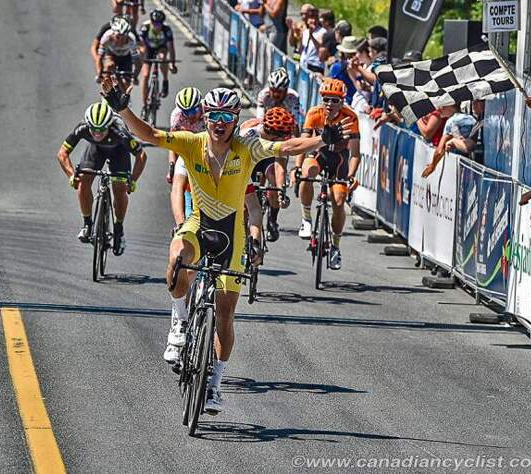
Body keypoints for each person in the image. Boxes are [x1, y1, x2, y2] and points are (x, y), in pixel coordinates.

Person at [101, 79, 356, 413]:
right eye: (213, 116)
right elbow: (150, 134)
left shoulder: (247, 147)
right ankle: (178, 323)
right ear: (205, 117)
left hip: (230, 234)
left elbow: (286, 148)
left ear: (236, 119)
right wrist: (121, 108)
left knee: (225, 315)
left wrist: (321, 139)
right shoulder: (191, 143)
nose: (219, 122)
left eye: (227, 116)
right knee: (178, 258)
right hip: (200, 223)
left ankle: (215, 384)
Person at [56, 101, 147, 255]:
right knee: (82, 182)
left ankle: (119, 229)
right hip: (96, 150)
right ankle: (87, 224)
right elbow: (62, 153)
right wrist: (71, 175)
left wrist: (133, 180)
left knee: (119, 189)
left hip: (119, 151)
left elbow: (141, 156)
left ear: (109, 125)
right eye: (94, 130)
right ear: (88, 125)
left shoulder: (120, 132)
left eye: (101, 130)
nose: (97, 134)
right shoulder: (83, 128)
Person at [292, 78, 360, 270]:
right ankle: (306, 218)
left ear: (342, 101)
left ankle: (336, 247)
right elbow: (302, 144)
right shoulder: (315, 113)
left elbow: (354, 153)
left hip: (339, 158)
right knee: (307, 171)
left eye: (335, 100)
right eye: (326, 99)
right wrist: (297, 167)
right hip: (319, 154)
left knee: (338, 200)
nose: (329, 104)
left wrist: (351, 175)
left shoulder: (350, 117)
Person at [240, 107, 297, 242]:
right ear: (273, 134)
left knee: (272, 175)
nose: (285, 138)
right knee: (244, 205)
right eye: (283, 136)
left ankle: (272, 219)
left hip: (269, 159)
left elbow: (280, 168)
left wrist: (280, 192)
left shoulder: (281, 139)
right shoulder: (248, 133)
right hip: (248, 157)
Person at [169, 88, 205, 229]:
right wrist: (171, 165)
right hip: (187, 152)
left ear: (200, 106)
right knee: (177, 184)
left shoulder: (209, 112)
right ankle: (180, 225)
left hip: (207, 152)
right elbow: (172, 142)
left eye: (193, 111)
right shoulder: (177, 116)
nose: (190, 115)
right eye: (186, 112)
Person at [421, 103, 475, 178]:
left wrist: (432, 166)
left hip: (463, 167)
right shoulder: (470, 118)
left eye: (443, 105)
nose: (439, 108)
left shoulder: (452, 121)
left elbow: (439, 151)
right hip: (474, 161)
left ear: (451, 105)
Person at [139, 9, 177, 102]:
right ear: (151, 22)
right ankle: (145, 103)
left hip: (161, 47)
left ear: (162, 23)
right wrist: (141, 59)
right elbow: (140, 45)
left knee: (162, 57)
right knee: (145, 75)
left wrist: (172, 64)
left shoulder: (166, 29)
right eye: (154, 24)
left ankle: (165, 80)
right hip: (148, 48)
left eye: (159, 24)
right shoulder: (145, 27)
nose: (157, 26)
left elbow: (171, 48)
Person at [95, 17, 140, 89]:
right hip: (111, 55)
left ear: (127, 35)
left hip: (126, 57)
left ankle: (124, 97)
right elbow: (99, 57)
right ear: (113, 33)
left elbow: (137, 60)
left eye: (123, 37)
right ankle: (107, 93)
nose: (120, 40)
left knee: (126, 84)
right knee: (109, 67)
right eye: (118, 37)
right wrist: (99, 73)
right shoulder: (107, 37)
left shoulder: (131, 39)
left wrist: (135, 76)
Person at [328, 36, 358, 103]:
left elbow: (330, 83)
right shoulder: (361, 66)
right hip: (357, 102)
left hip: (343, 102)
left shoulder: (337, 67)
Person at [299, 9, 326, 73]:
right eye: (311, 18)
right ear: (307, 20)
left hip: (315, 65)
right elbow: (301, 49)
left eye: (316, 19)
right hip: (304, 64)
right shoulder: (305, 32)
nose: (313, 21)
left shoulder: (323, 32)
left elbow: (320, 48)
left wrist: (311, 36)